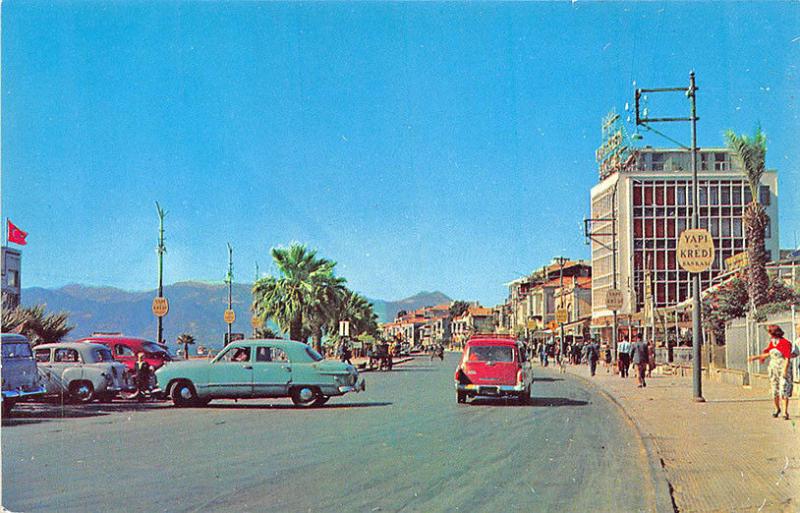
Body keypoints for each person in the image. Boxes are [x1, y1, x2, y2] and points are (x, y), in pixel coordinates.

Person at [748, 325, 794, 420]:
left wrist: (785, 370)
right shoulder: (772, 342)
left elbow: (787, 358)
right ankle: (777, 409)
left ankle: (785, 412)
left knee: (783, 389)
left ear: (773, 333)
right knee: (774, 390)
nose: (768, 334)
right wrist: (755, 357)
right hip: (773, 370)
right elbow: (768, 353)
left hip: (782, 369)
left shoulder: (785, 343)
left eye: (769, 332)